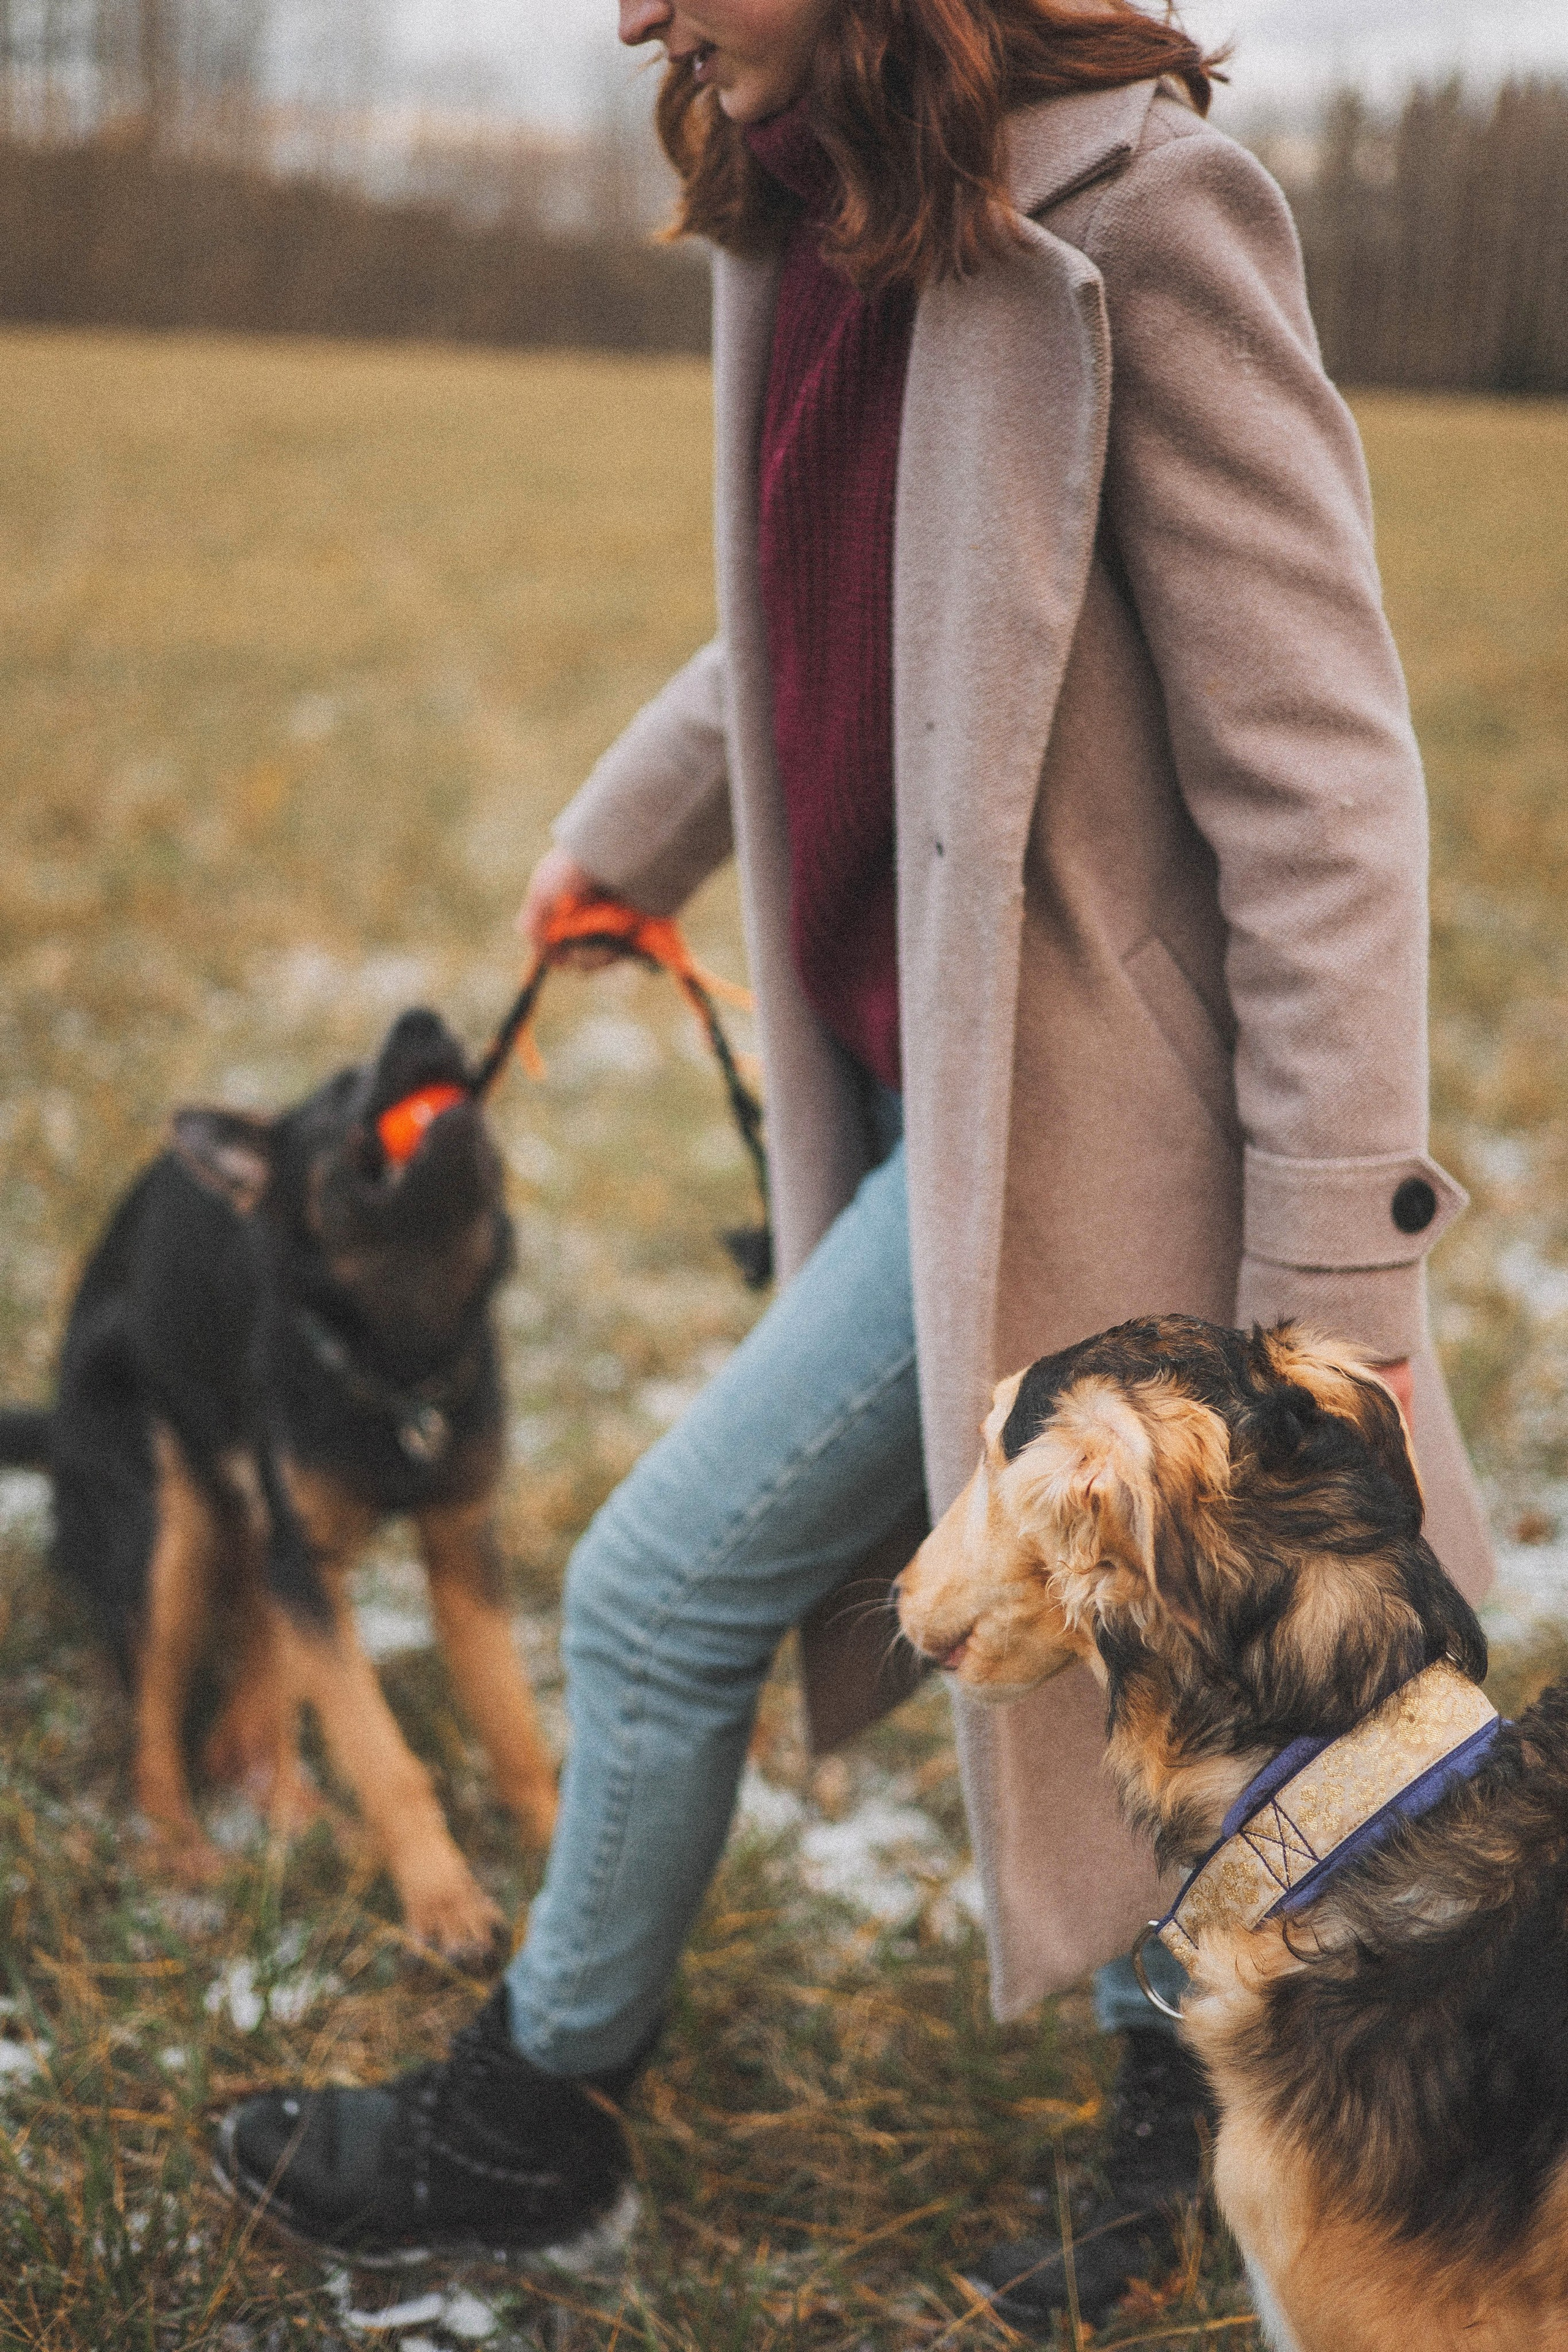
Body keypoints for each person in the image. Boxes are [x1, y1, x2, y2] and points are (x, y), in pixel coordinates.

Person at [218, 0, 1496, 2331]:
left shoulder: (1140, 224)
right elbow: (826, 620)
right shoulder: (807, 210)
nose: (634, 17)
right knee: (1103, 1625)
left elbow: (1329, 792)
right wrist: (634, 834)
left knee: (660, 1586)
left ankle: (536, 2128)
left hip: (1116, 1132)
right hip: (915, 1080)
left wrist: (1338, 1289)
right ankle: (1163, 2154)